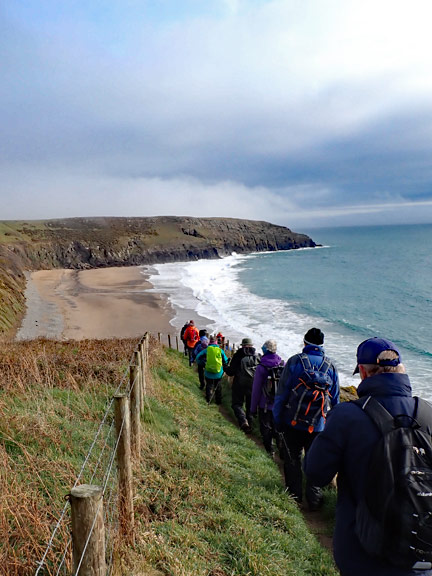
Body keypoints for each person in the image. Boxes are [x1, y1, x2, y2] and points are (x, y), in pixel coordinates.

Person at [304, 337, 432, 576]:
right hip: (421, 552)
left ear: (363, 372)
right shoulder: (428, 413)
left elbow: (315, 472)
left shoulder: (346, 416)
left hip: (363, 554)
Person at [273, 327, 339, 510]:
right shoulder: (330, 366)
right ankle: (315, 499)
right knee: (314, 461)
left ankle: (294, 498)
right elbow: (335, 400)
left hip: (291, 421)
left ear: (305, 342)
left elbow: (282, 394)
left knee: (292, 459)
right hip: (318, 425)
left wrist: (277, 419)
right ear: (322, 345)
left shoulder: (295, 361)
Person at [250, 339, 284, 457]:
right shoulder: (282, 364)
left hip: (264, 404)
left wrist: (253, 408)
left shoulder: (261, 367)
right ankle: (281, 452)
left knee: (265, 429)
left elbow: (256, 390)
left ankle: (270, 452)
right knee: (278, 429)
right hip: (279, 405)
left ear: (265, 350)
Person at [225, 337, 260, 434]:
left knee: (237, 404)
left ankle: (243, 421)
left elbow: (231, 372)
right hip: (253, 384)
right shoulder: (257, 356)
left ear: (242, 345)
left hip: (239, 384)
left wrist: (225, 367)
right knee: (250, 406)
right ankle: (251, 425)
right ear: (252, 346)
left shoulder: (238, 355)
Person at [195, 335, 228, 404]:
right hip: (218, 372)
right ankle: (218, 401)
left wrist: (203, 364)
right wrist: (223, 365)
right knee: (218, 386)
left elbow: (198, 357)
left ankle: (208, 399)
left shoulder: (206, 350)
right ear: (216, 342)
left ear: (210, 342)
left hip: (208, 371)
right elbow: (226, 360)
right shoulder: (220, 350)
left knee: (209, 385)